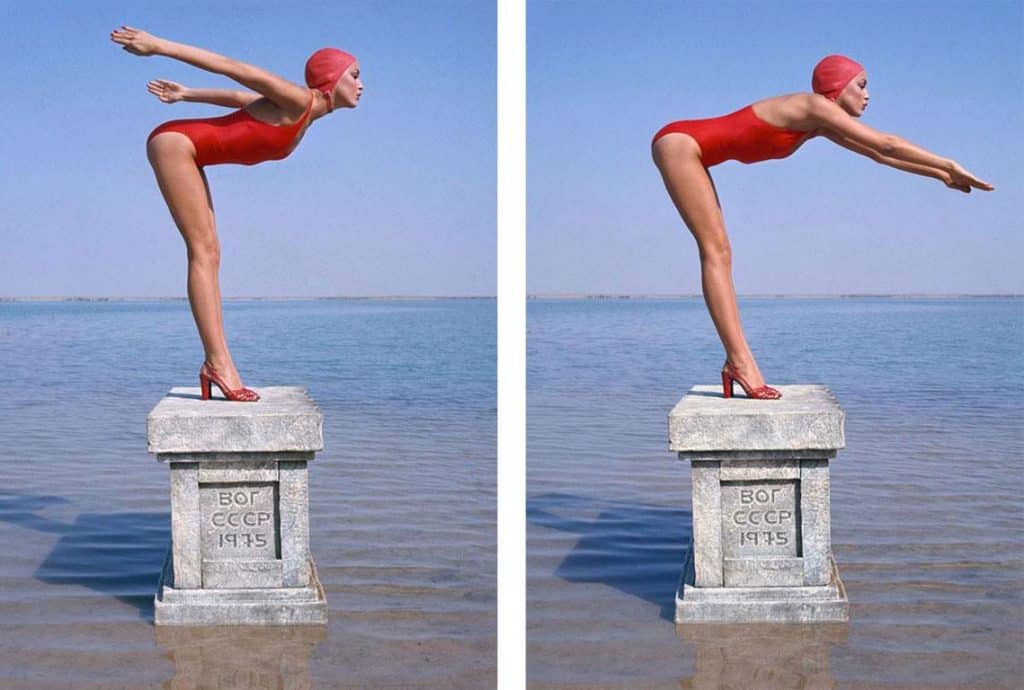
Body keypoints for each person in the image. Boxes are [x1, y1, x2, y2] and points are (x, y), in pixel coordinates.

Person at [651, 55, 993, 400]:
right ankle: (740, 363)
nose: (868, 95)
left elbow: (880, 156)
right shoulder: (812, 105)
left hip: (689, 147)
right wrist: (949, 162)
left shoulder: (818, 122)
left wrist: (942, 176)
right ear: (837, 86)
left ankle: (737, 364)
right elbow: (885, 142)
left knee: (720, 251)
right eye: (861, 85)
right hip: (680, 144)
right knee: (717, 251)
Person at [110, 26, 363, 401]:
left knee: (211, 252)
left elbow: (237, 97)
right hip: (176, 146)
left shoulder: (302, 114)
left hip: (188, 150)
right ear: (331, 78)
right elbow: (232, 68)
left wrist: (186, 94)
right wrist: (159, 45)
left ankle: (217, 364)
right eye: (354, 75)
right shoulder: (297, 99)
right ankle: (218, 364)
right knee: (204, 251)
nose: (361, 84)